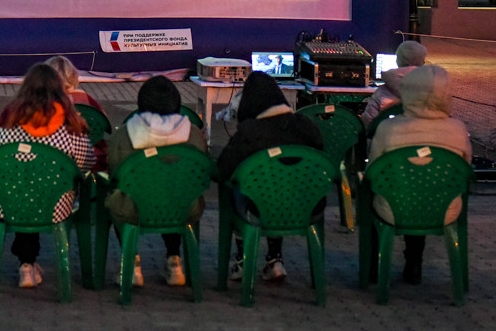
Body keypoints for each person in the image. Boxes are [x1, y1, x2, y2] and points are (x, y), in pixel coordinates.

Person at [0, 62, 95, 289]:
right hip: (55, 205)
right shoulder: (72, 127)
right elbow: (86, 165)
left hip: (8, 203)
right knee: (40, 189)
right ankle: (28, 264)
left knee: (22, 189)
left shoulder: (2, 122)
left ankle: (26, 264)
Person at [367, 64, 471, 285]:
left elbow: (372, 173)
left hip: (394, 209)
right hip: (443, 209)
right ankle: (414, 262)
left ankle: (374, 266)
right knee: (425, 189)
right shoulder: (458, 130)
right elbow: (466, 170)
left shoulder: (388, 129)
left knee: (383, 193)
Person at [217, 71, 324, 282]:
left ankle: (242, 259)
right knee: (282, 189)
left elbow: (222, 169)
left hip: (258, 210)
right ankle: (275, 259)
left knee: (243, 189)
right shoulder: (307, 125)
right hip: (307, 208)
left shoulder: (250, 132)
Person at [105, 75, 208, 288]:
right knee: (174, 192)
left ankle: (131, 262)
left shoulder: (124, 134)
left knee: (116, 196)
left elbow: (113, 171)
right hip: (183, 208)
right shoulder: (195, 135)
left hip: (134, 209)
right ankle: (174, 261)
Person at [45, 55, 108, 170]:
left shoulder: (38, 103)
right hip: (88, 161)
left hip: (48, 161)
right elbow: (104, 124)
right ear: (73, 76)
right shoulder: (86, 99)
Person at [361, 40, 429, 126]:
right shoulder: (435, 91)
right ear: (422, 63)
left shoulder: (381, 93)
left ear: (397, 61)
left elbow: (368, 122)